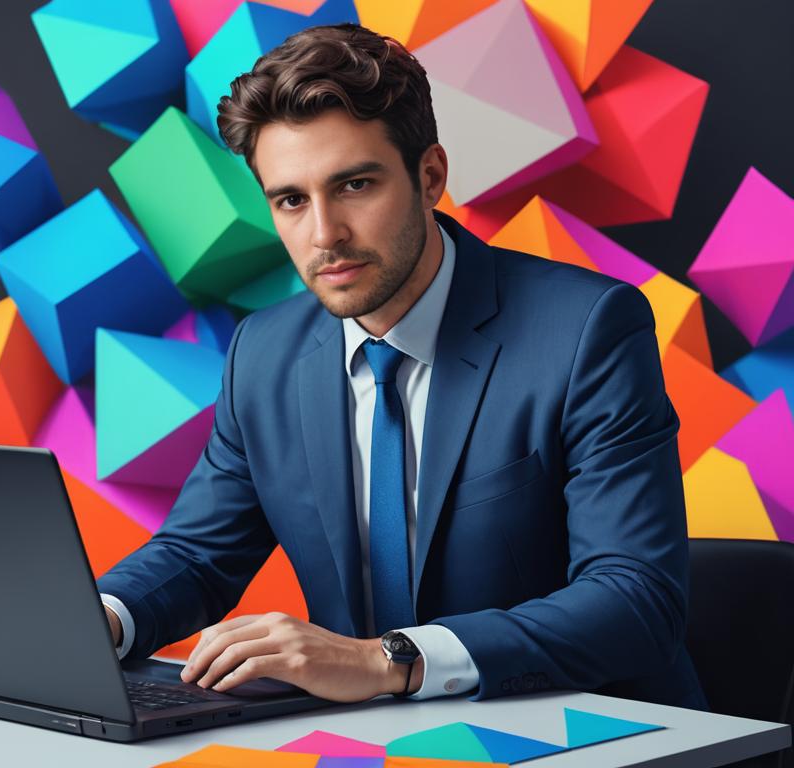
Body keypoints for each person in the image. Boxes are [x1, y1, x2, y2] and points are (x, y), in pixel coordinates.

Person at [96, 23, 707, 709]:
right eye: (291, 200)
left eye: (354, 185)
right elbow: (197, 556)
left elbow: (636, 600)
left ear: (430, 177)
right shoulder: (263, 355)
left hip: (589, 732)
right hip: (371, 743)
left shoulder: (586, 332)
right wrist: (97, 623)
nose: (324, 234)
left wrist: (389, 661)